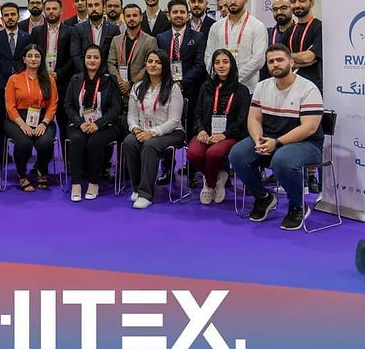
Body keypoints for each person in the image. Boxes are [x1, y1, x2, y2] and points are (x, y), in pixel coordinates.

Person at [229, 44, 324, 230]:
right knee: (237, 154)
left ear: (291, 62)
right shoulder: (262, 86)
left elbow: (309, 128)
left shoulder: (308, 89)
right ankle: (263, 197)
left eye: (280, 60)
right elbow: (254, 119)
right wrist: (258, 140)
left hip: (306, 144)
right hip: (270, 140)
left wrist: (277, 142)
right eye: (271, 61)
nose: (275, 64)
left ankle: (297, 206)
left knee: (282, 160)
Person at [122, 49, 185, 209]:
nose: (153, 65)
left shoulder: (173, 89)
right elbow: (131, 115)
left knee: (150, 145)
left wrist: (152, 133)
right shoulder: (137, 88)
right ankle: (136, 188)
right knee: (129, 142)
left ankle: (145, 194)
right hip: (143, 130)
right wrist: (135, 128)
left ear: (164, 66)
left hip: (171, 132)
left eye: (158, 62)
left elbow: (174, 120)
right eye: (150, 61)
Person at [189, 49, 250, 205]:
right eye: (217, 62)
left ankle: (209, 185)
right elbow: (198, 112)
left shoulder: (242, 90)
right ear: (213, 66)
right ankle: (216, 178)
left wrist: (224, 135)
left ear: (232, 65)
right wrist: (201, 130)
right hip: (207, 132)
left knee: (213, 154)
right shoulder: (206, 87)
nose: (221, 66)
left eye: (225, 62)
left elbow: (242, 120)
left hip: (230, 135)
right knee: (193, 153)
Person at [64, 44, 123, 202]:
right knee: (77, 139)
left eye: (96, 57)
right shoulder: (76, 79)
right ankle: (76, 183)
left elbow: (115, 108)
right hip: (80, 124)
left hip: (105, 125)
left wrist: (98, 124)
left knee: (95, 141)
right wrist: (80, 123)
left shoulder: (109, 80)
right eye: (89, 57)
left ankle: (93, 182)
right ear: (84, 59)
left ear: (101, 60)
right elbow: (68, 105)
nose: (92, 60)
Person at [4, 44, 58, 192]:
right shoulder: (14, 79)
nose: (33, 59)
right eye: (30, 56)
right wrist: (22, 124)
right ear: (24, 59)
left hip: (43, 118)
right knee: (24, 143)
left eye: (37, 56)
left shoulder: (49, 79)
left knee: (45, 143)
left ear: (41, 59)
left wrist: (44, 123)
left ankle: (41, 168)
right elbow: (10, 106)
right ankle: (21, 174)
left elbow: (53, 105)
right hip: (17, 119)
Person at [204, 0, 267, 92]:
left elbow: (258, 59)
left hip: (247, 88)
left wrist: (234, 78)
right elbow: (209, 56)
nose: (233, 1)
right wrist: (219, 77)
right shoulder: (216, 27)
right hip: (220, 87)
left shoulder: (257, 26)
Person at [157, 0, 206, 135]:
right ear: (168, 15)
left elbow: (200, 64)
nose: (178, 15)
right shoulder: (161, 37)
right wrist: (169, 83)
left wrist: (181, 83)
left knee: (188, 125)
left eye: (182, 12)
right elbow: (159, 63)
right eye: (175, 12)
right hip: (166, 88)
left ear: (188, 15)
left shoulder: (198, 37)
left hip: (190, 89)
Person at [31, 0, 73, 137]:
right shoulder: (36, 32)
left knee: (64, 121)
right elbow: (32, 55)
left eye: (54, 9)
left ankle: (66, 150)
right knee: (40, 120)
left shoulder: (71, 31)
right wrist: (42, 73)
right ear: (44, 11)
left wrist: (59, 74)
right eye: (48, 9)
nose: (51, 12)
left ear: (61, 11)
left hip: (63, 83)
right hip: (41, 82)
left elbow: (72, 57)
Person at [0, 2, 31, 125]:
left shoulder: (27, 37)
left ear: (18, 16)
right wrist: (3, 84)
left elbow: (29, 62)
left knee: (21, 116)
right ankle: (0, 138)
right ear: (2, 18)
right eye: (6, 15)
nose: (10, 17)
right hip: (1, 85)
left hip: (22, 85)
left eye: (13, 14)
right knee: (1, 117)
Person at [107, 4, 157, 98]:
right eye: (128, 16)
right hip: (118, 89)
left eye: (135, 15)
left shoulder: (150, 40)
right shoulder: (116, 40)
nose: (131, 19)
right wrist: (120, 82)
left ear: (141, 18)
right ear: (124, 18)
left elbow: (149, 66)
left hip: (141, 89)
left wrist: (131, 83)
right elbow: (111, 63)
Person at [286, 0, 323, 91]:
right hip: (290, 85)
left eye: (302, 1)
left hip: (313, 87)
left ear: (312, 3)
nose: (297, 5)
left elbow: (307, 58)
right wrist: (297, 59)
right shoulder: (289, 31)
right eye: (293, 1)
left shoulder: (320, 28)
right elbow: (282, 60)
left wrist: (288, 57)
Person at [70, 0, 118, 72]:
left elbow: (114, 56)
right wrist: (87, 73)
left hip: (106, 74)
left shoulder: (113, 29)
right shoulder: (78, 28)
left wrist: (102, 73)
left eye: (96, 5)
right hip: (84, 73)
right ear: (86, 8)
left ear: (104, 7)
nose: (93, 9)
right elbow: (76, 55)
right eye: (90, 6)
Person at [261, 0, 294, 81]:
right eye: (275, 9)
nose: (279, 12)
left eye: (283, 8)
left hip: (297, 81)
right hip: (271, 81)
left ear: (291, 9)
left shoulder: (300, 31)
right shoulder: (267, 33)